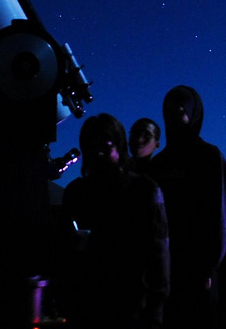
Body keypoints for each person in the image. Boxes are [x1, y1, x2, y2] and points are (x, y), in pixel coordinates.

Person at [61, 113, 170, 329]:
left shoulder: (144, 191)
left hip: (133, 311)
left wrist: (154, 313)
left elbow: (159, 259)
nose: (97, 152)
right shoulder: (76, 193)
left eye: (104, 145)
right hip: (87, 309)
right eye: (91, 146)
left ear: (119, 146)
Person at [150, 86, 226, 329]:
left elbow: (219, 213)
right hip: (164, 265)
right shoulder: (160, 163)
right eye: (169, 111)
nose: (175, 116)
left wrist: (209, 266)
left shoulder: (208, 156)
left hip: (197, 267)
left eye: (181, 111)